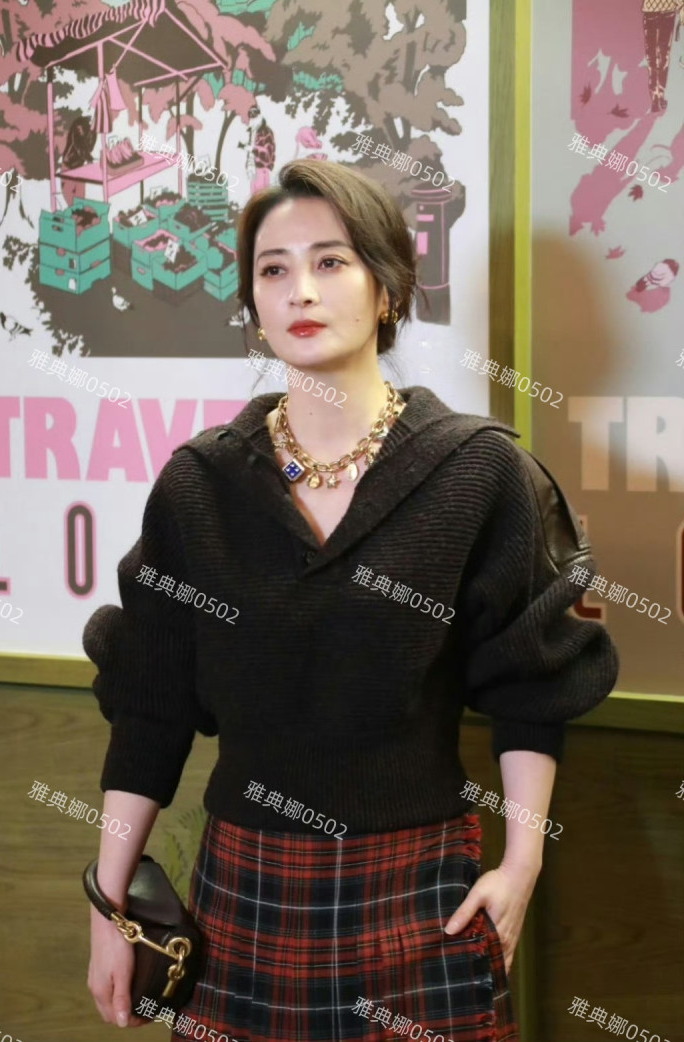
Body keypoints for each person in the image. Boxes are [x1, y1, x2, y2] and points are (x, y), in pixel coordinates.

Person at [83, 159, 619, 1041]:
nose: (300, 288)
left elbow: (532, 686)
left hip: (425, 894)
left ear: (388, 288)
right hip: (244, 889)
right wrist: (110, 907)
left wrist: (522, 864)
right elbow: (150, 706)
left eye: (331, 261)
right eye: (274, 268)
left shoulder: (478, 470)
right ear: (253, 304)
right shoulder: (199, 484)